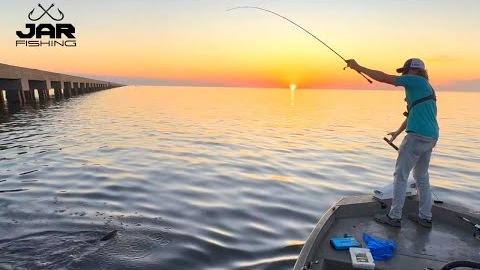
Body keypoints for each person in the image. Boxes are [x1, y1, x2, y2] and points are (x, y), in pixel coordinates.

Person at [347, 58, 439, 228]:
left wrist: (358, 66)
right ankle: (425, 217)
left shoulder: (415, 80)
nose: (404, 74)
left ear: (417, 71)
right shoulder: (426, 87)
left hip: (416, 137)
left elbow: (383, 77)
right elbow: (414, 113)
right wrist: (397, 132)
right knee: (421, 177)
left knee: (401, 176)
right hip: (431, 137)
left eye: (407, 70)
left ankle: (394, 216)